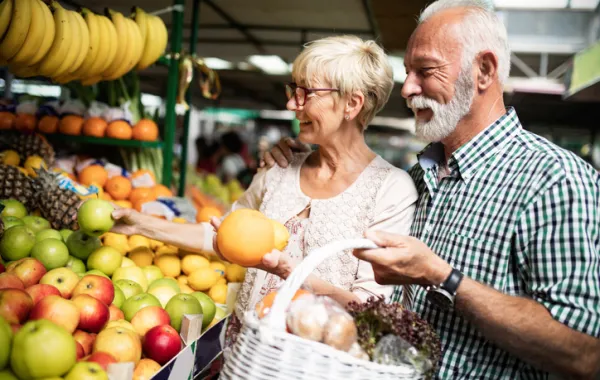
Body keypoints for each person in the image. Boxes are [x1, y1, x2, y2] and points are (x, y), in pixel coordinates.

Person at [262, 1, 600, 379]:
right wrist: (298, 159)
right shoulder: (418, 177)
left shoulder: (555, 178)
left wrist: (442, 277)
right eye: (407, 72)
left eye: (425, 70)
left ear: (484, 71)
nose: (407, 89)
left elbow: (584, 354)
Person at [111, 35, 418, 349]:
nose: (291, 104)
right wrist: (139, 224)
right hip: (244, 354)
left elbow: (370, 309)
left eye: (306, 93)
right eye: (293, 90)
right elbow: (220, 236)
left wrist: (290, 273)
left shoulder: (390, 189)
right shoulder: (279, 169)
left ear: (352, 104)